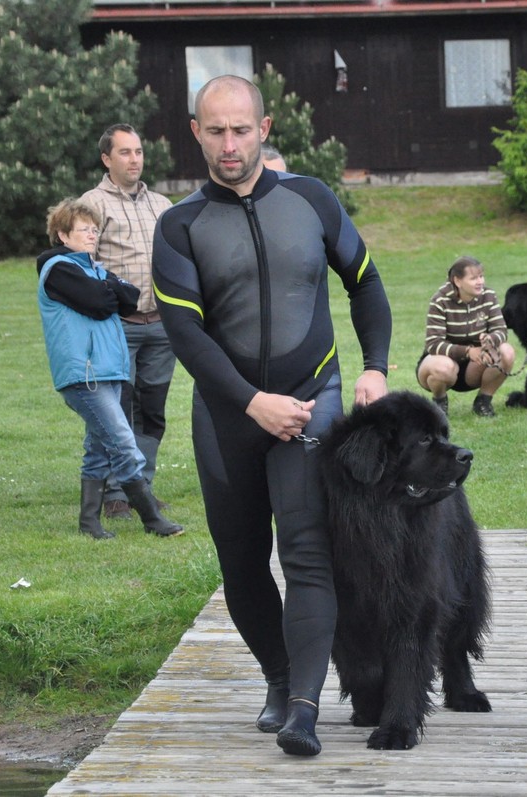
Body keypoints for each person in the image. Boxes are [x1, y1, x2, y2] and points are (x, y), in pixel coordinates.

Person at [152, 75, 391, 757]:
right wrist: (253, 403)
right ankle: (280, 680)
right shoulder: (179, 226)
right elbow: (187, 335)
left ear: (264, 127)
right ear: (196, 132)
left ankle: (305, 711)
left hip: (312, 396)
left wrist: (375, 365)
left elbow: (366, 281)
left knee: (307, 552)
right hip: (229, 411)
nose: (229, 144)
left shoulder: (311, 200)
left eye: (241, 129)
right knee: (242, 562)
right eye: (215, 131)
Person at [36, 199, 184, 540]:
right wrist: (108, 289)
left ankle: (89, 523)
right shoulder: (59, 269)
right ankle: (151, 518)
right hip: (85, 374)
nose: (93, 235)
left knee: (99, 448)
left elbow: (130, 298)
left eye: (94, 229)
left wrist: (107, 288)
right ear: (63, 235)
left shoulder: (93, 268)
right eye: (84, 230)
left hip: (107, 371)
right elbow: (103, 303)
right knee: (122, 441)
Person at [80, 124, 176, 521]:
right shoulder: (92, 204)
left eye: (138, 151)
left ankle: (143, 488)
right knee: (116, 410)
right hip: (117, 326)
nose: (134, 159)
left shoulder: (162, 205)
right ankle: (117, 492)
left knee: (152, 411)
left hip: (162, 326)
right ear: (106, 159)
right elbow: (80, 267)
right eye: (124, 152)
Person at [416, 255, 515, 418]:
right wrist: (468, 351)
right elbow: (433, 344)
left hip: (475, 367)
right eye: (474, 278)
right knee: (443, 367)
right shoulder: (440, 300)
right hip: (442, 365)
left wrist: (491, 340)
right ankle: (439, 402)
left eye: (481, 276)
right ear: (457, 281)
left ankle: (483, 401)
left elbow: (501, 330)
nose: (480, 282)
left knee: (507, 351)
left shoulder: (489, 295)